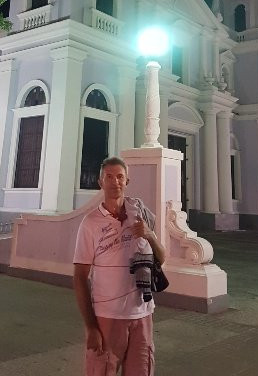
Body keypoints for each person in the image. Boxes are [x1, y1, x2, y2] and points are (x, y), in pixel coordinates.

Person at [73, 156, 165, 376]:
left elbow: (160, 259)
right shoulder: (91, 223)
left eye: (120, 177)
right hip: (108, 316)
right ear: (100, 182)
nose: (115, 182)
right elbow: (80, 277)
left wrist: (150, 235)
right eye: (109, 177)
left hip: (142, 314)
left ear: (127, 181)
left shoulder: (140, 216)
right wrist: (90, 327)